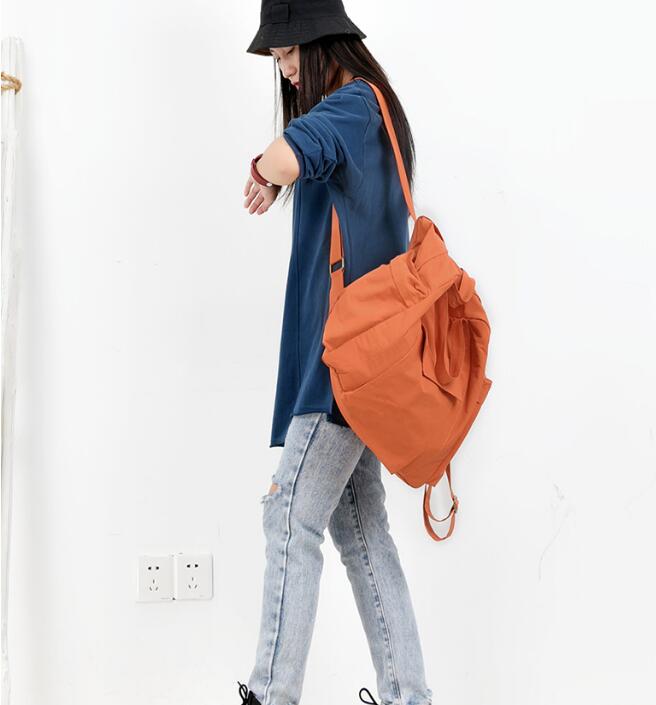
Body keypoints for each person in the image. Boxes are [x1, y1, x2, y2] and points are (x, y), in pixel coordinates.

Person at [239, 2, 433, 704]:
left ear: (320, 43)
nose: (285, 69)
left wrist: (264, 170)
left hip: (338, 368)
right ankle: (409, 694)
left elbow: (287, 153)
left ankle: (272, 693)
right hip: (362, 363)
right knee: (361, 528)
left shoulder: (351, 106)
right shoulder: (370, 112)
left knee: (289, 515)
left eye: (288, 53)